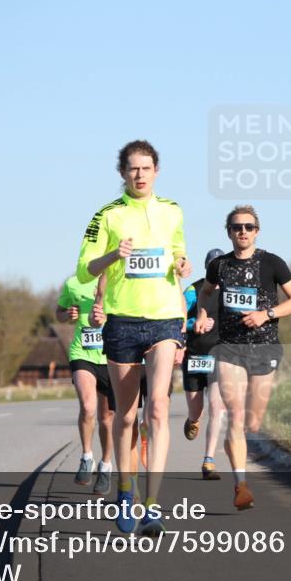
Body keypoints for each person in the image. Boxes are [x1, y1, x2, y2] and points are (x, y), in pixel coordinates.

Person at [76, 139, 191, 536]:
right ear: (122, 173)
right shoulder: (106, 216)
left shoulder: (173, 211)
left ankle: (153, 506)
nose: (139, 174)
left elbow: (178, 252)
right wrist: (114, 255)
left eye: (146, 167)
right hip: (123, 322)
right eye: (132, 168)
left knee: (157, 408)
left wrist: (181, 262)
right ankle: (125, 491)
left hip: (165, 319)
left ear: (156, 170)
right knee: (126, 415)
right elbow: (85, 269)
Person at [195, 206, 291, 510]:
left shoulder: (272, 263)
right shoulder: (218, 265)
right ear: (228, 231)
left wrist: (265, 314)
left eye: (248, 227)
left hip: (265, 347)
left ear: (257, 231)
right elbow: (205, 293)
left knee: (253, 422)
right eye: (236, 227)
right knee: (236, 415)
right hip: (229, 348)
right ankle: (240, 485)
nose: (242, 231)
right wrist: (202, 315)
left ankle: (240, 451)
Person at [56, 275, 115, 496]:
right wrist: (66, 315)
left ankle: (106, 466)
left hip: (110, 356)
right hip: (82, 352)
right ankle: (86, 457)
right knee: (88, 407)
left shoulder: (119, 280)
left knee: (107, 417)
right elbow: (59, 313)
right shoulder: (73, 283)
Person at [181, 248, 227, 480]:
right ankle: (192, 419)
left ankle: (208, 460)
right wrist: (193, 323)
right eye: (213, 267)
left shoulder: (231, 292)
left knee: (217, 408)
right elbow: (177, 320)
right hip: (195, 356)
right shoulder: (193, 291)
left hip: (220, 357)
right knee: (197, 409)